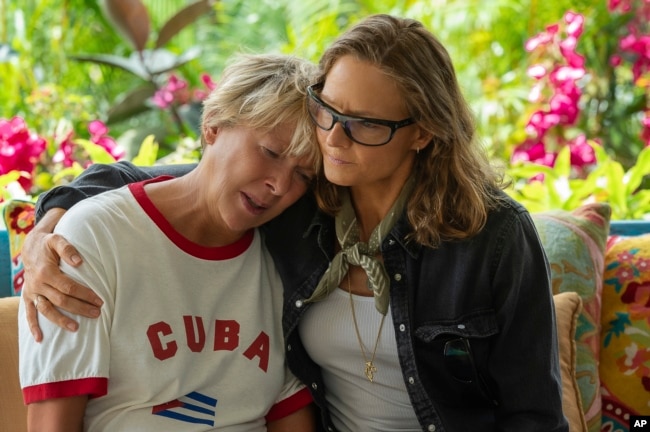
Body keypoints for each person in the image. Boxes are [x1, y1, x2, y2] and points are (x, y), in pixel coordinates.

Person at [20, 14, 569, 432]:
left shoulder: (491, 236)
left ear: (422, 132)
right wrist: (51, 223)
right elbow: (177, 180)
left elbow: (533, 415)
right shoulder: (306, 204)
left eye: (363, 125)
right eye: (328, 110)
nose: (332, 138)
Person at [18, 53, 320, 432]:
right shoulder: (91, 238)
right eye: (270, 152)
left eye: (303, 175)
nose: (279, 185)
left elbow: (288, 409)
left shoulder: (285, 252)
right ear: (212, 125)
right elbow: (53, 423)